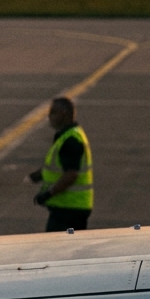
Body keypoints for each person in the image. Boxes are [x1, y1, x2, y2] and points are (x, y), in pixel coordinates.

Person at [28, 97, 93, 232]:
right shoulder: (69, 135)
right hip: (70, 208)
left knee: (56, 249)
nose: (49, 116)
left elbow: (71, 174)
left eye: (53, 112)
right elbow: (60, 167)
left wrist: (48, 194)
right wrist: (39, 175)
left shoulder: (70, 139)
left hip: (70, 209)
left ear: (63, 114)